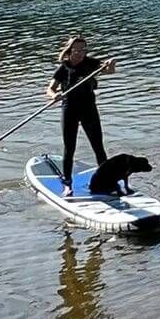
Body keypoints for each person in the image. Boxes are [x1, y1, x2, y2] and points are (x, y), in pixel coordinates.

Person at [46, 35, 117, 198]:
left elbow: (109, 71)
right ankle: (67, 185)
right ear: (70, 51)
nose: (80, 53)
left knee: (98, 146)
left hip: (89, 109)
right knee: (69, 148)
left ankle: (107, 181)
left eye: (83, 50)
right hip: (69, 109)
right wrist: (53, 96)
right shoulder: (63, 68)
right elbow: (50, 89)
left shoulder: (91, 64)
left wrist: (111, 64)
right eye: (76, 50)